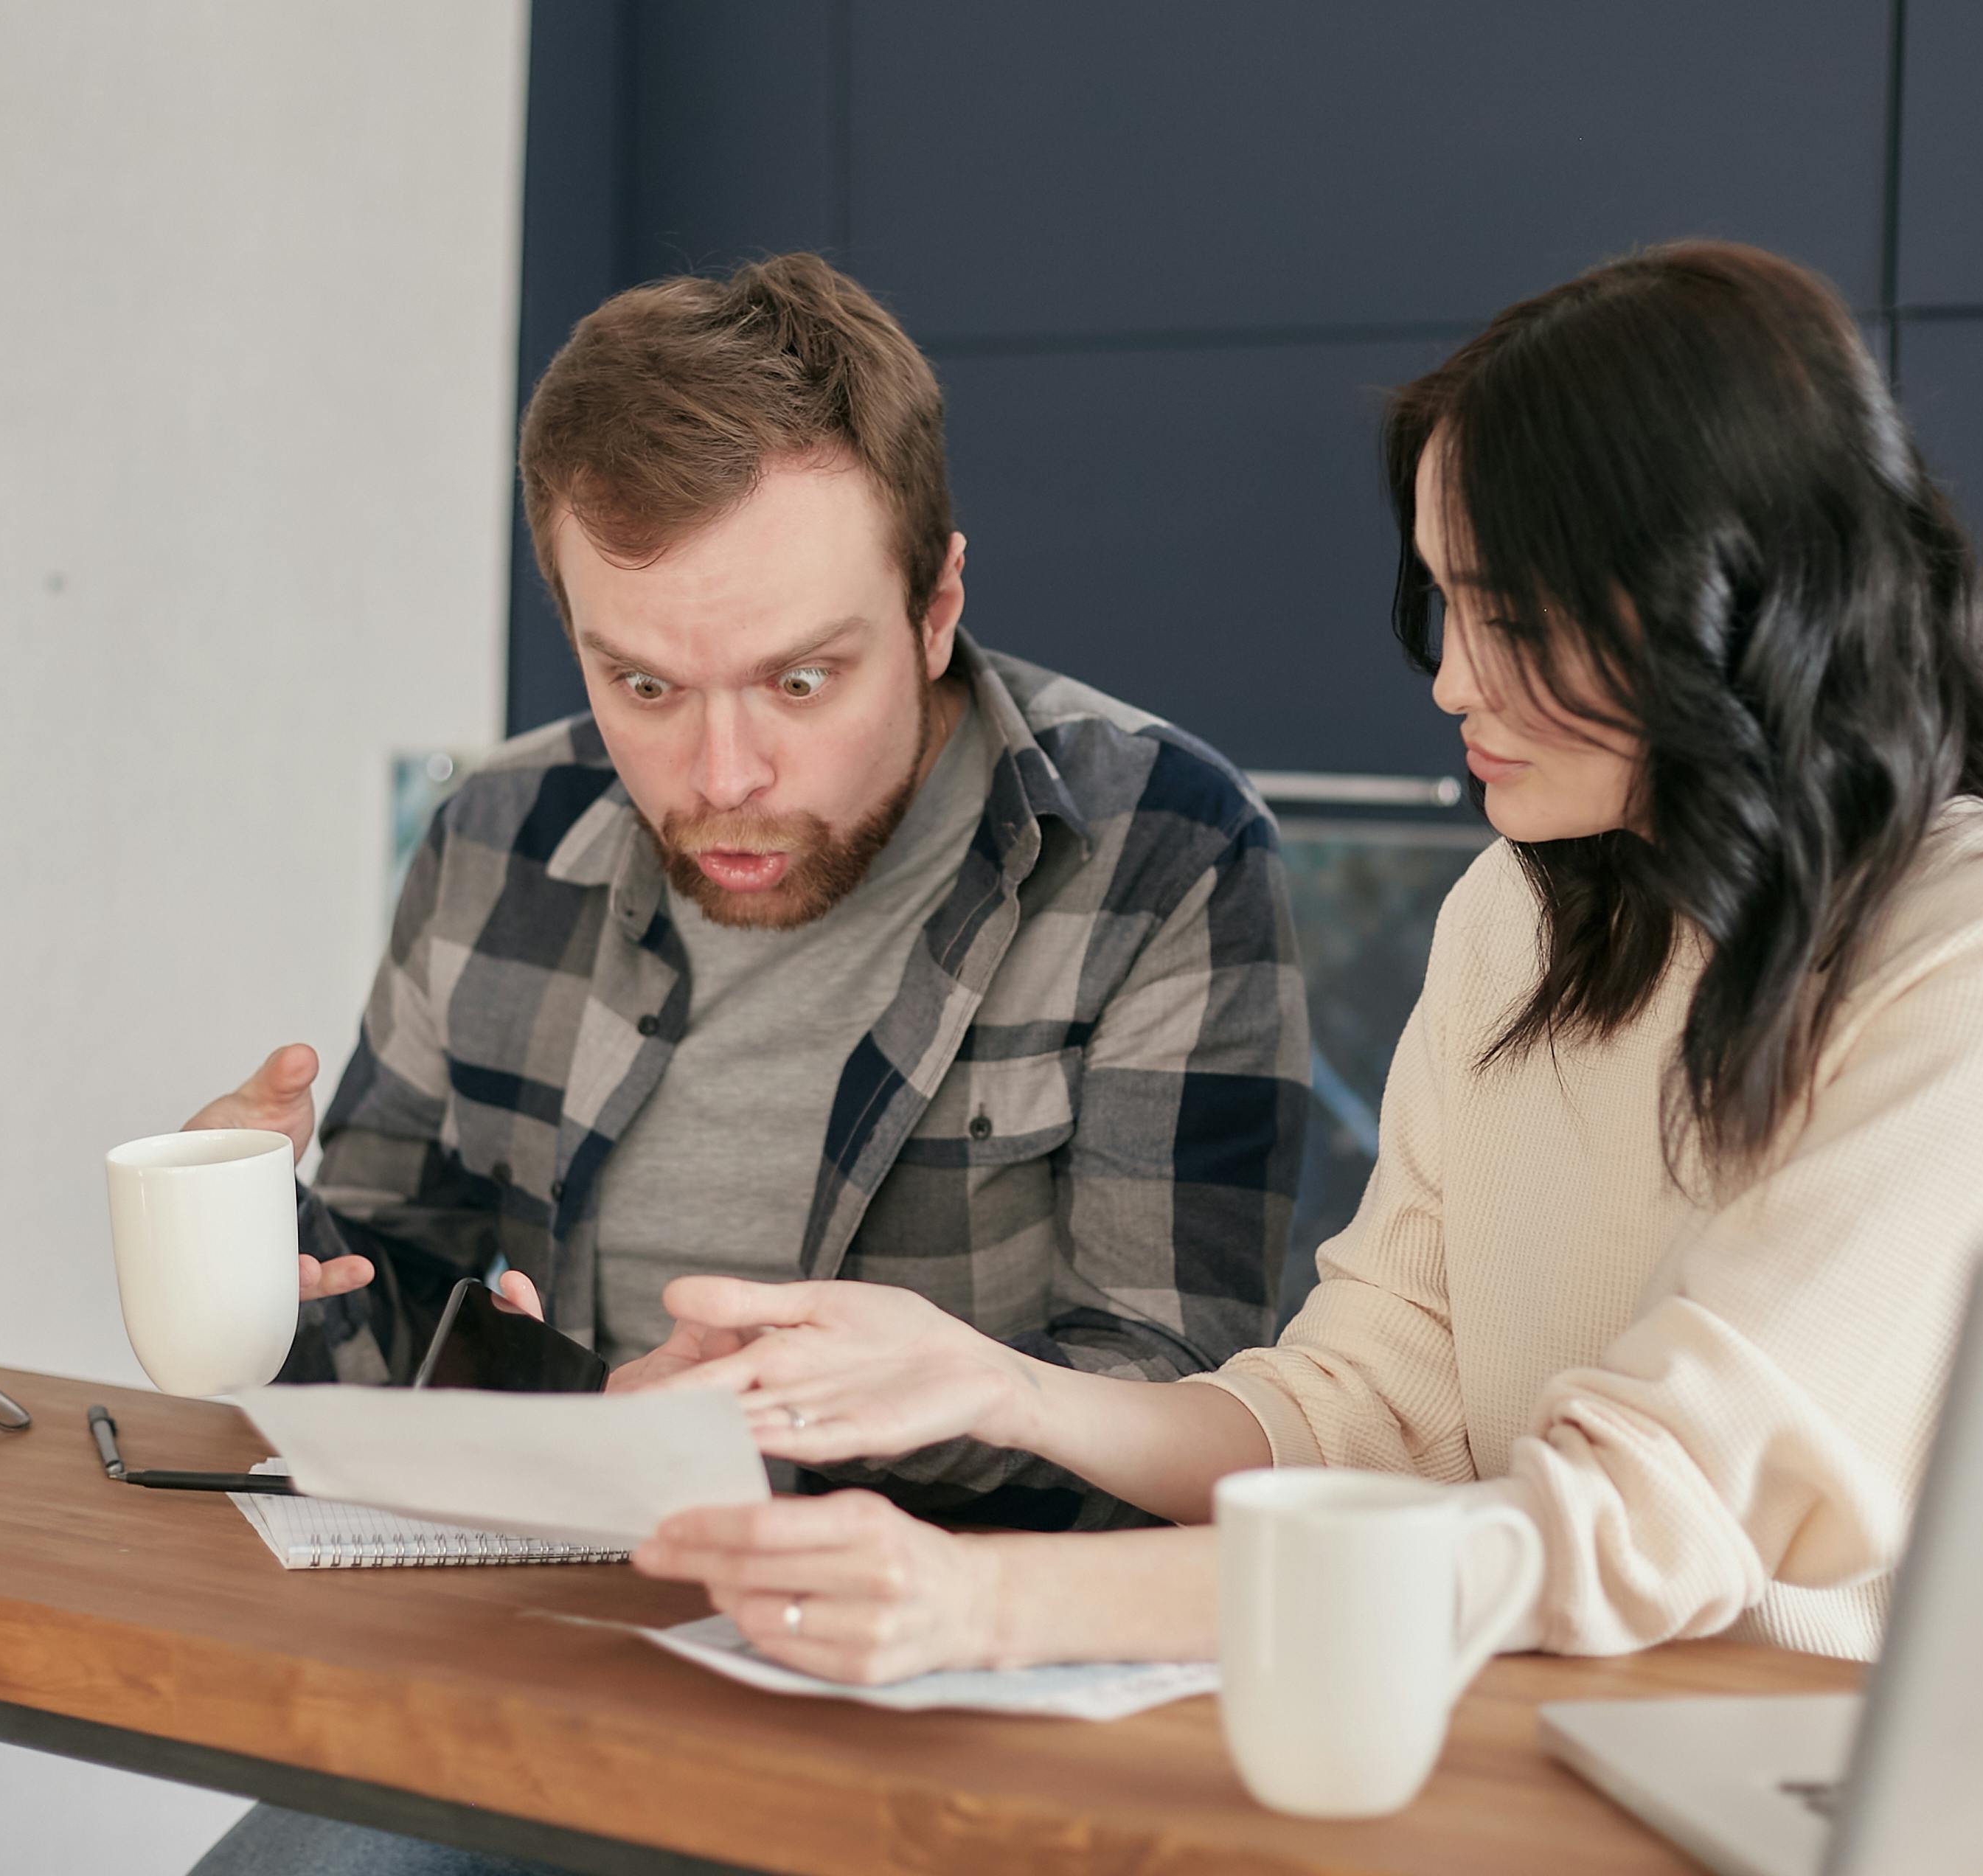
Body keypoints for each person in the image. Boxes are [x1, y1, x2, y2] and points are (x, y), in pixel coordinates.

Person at [614, 241, 1983, 1681]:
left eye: (1516, 619)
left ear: (1726, 601)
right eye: (1443, 605)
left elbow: (1630, 1522)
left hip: (1842, 1787)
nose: (1454, 682)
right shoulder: (1525, 907)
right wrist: (997, 1389)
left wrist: (997, 1601)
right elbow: (1361, 1407)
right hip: (1543, 1734)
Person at [181, 252, 1308, 1522]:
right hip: (564, 1608)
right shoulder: (495, 834)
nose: (723, 777)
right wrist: (245, 1239)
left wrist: (747, 1432)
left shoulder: (1165, 848)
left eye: (802, 681)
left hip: (969, 1650)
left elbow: (1171, 1412)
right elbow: (384, 1333)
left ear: (936, 607)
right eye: (646, 687)